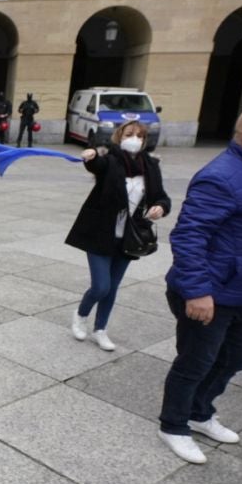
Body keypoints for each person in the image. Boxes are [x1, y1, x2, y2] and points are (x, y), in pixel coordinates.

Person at [157, 100, 242, 464]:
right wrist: (198, 290)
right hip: (213, 293)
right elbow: (189, 236)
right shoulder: (220, 176)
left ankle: (200, 413)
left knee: (237, 357)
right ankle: (173, 425)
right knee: (196, 362)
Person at [65, 121, 171, 352]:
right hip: (101, 233)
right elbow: (97, 165)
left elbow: (161, 197)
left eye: (140, 136)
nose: (135, 139)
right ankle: (81, 315)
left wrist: (160, 208)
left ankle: (100, 329)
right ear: (119, 136)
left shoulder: (151, 166)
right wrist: (91, 155)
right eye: (130, 134)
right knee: (101, 286)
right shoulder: (111, 160)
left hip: (129, 238)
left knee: (113, 287)